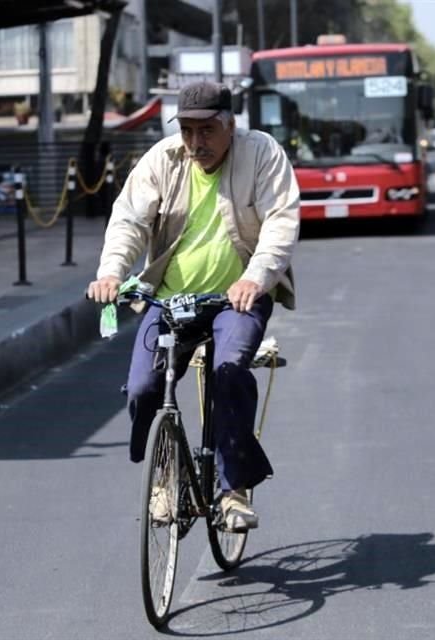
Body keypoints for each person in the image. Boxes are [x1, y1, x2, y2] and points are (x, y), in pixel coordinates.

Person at [86, 81, 299, 531]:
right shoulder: (163, 160)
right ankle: (167, 476)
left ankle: (234, 489)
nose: (196, 142)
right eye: (187, 130)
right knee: (144, 387)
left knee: (229, 369)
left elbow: (281, 221)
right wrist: (110, 272)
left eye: (206, 130)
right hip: (170, 301)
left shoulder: (261, 153)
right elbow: (129, 220)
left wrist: (255, 278)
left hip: (236, 299)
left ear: (230, 124)